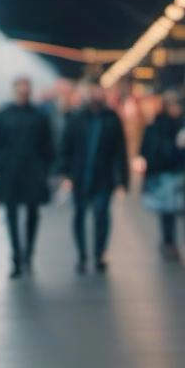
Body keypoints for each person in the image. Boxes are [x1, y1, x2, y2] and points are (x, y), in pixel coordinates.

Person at [0, 76, 55, 277]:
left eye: (25, 91)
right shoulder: (3, 115)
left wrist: (46, 168)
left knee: (32, 214)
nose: (23, 94)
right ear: (15, 91)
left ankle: (28, 255)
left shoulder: (39, 116)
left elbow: (48, 144)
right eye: (20, 90)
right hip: (11, 173)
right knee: (11, 216)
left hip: (32, 172)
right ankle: (17, 257)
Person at [59, 81, 129, 273]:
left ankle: (99, 254)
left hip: (103, 178)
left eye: (99, 90)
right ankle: (82, 255)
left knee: (101, 216)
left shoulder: (111, 118)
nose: (96, 94)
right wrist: (65, 174)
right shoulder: (76, 118)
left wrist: (123, 180)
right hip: (80, 177)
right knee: (80, 216)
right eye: (93, 90)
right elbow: (66, 147)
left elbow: (120, 151)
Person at [139, 91, 185, 259]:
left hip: (164, 173)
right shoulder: (173, 127)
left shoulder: (157, 127)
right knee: (169, 211)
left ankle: (168, 241)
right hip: (167, 173)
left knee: (167, 211)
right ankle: (169, 242)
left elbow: (145, 150)